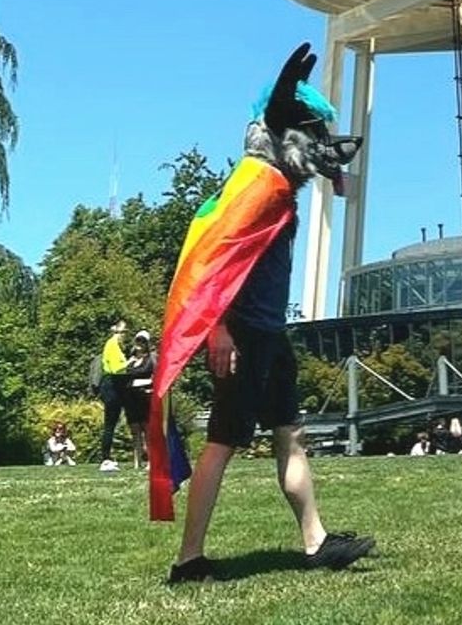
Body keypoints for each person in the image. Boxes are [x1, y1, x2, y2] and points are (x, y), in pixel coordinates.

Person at [152, 44, 375, 580]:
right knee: (223, 443)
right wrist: (220, 329)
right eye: (314, 134)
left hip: (271, 335)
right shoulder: (255, 189)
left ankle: (316, 541)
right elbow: (216, 260)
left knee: (289, 434)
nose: (325, 147)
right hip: (245, 336)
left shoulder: (276, 190)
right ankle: (189, 559)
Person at [98, 319, 130, 471]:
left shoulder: (116, 345)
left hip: (116, 386)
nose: (124, 335)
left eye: (125, 332)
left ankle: (108, 457)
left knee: (113, 422)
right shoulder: (112, 345)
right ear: (116, 331)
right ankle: (105, 459)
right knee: (109, 424)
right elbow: (117, 368)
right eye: (122, 332)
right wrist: (131, 362)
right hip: (111, 385)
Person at [123, 330, 156, 473]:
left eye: (143, 342)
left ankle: (151, 460)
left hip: (145, 394)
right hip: (131, 395)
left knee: (147, 429)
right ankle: (137, 461)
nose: (140, 345)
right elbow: (123, 371)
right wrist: (128, 362)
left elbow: (156, 374)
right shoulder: (131, 360)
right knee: (135, 429)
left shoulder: (151, 359)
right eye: (138, 341)